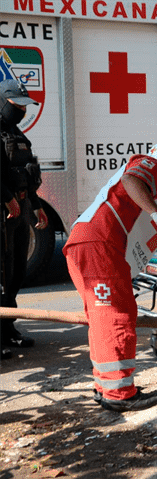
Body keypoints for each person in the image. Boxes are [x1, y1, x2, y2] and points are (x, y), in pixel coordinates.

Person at [63, 142, 157, 411]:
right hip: (102, 245)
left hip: (88, 242)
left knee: (103, 318)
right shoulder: (154, 168)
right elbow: (131, 180)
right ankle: (119, 394)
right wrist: (154, 212)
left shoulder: (155, 193)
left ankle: (107, 387)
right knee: (116, 315)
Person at [0, 79, 47, 360]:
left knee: (16, 272)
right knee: (1, 275)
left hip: (20, 208)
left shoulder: (16, 134)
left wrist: (36, 206)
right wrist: (6, 198)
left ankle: (8, 330)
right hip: (3, 210)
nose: (21, 111)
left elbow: (27, 173)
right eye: (17, 106)